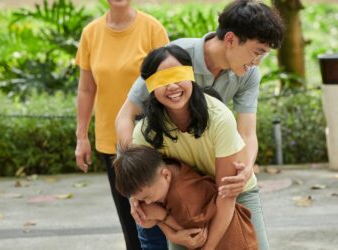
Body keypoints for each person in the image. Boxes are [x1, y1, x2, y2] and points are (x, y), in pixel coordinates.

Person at [115, 1, 284, 249]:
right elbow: (125, 115)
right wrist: (139, 181)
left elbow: (247, 133)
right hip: (184, 187)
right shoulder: (173, 59)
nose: (258, 61)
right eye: (257, 51)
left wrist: (245, 169)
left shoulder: (244, 79)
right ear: (230, 39)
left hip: (225, 177)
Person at [131, 44, 268, 249]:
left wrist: (209, 247)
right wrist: (173, 234)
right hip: (184, 203)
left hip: (233, 193)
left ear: (191, 76)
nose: (172, 86)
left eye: (178, 75)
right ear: (149, 86)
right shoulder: (145, 133)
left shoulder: (219, 117)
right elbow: (147, 202)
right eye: (162, 80)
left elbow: (226, 194)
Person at [74, 0, 169, 249]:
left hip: (151, 141)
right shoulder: (91, 33)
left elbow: (169, 83)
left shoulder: (152, 29)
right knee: (131, 224)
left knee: (160, 221)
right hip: (113, 145)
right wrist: (81, 136)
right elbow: (86, 89)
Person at [114, 145, 259, 250]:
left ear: (166, 175)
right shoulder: (170, 166)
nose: (148, 202)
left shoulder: (182, 199)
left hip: (232, 244)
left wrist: (161, 217)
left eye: (148, 197)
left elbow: (197, 236)